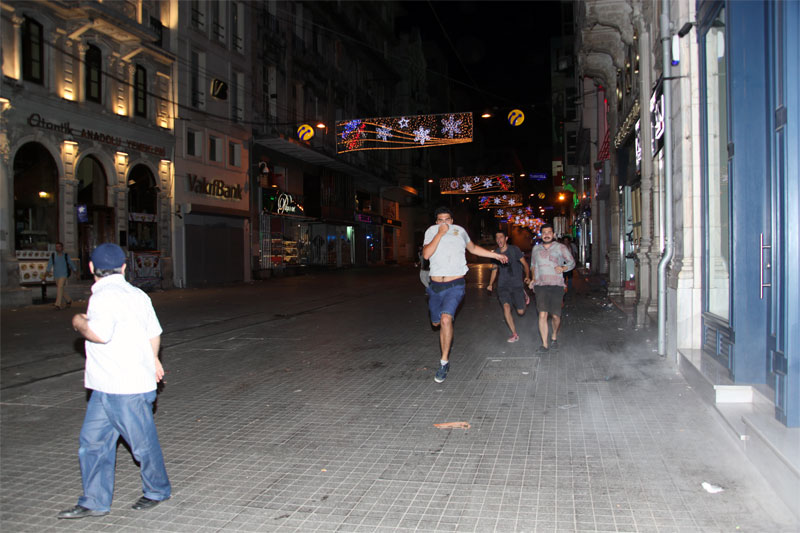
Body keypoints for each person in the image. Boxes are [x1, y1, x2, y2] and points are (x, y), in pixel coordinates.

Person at [58, 243, 170, 519]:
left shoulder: (103, 296)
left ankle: (157, 489)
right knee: (93, 442)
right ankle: (94, 501)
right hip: (105, 387)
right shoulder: (137, 294)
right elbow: (153, 332)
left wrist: (78, 322)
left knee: (141, 443)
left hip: (125, 387)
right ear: (123, 267)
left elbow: (99, 334)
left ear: (91, 268)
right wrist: (154, 358)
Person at [423, 207, 508, 383]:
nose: (444, 222)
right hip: (436, 285)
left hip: (456, 284)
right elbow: (426, 254)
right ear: (436, 222)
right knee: (436, 322)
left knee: (446, 319)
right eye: (440, 220)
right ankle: (443, 338)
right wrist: (439, 234)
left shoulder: (460, 231)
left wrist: (496, 256)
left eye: (447, 219)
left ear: (452, 220)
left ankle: (444, 363)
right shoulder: (431, 231)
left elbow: (474, 248)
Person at [527, 224, 575, 353]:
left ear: (553, 234)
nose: (546, 234)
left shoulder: (560, 247)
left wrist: (563, 268)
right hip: (541, 285)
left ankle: (554, 335)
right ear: (541, 235)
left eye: (549, 232)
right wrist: (533, 278)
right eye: (544, 232)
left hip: (556, 285)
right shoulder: (536, 249)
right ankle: (544, 344)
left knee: (555, 316)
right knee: (542, 314)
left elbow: (571, 262)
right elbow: (533, 265)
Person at [487, 230, 531, 342]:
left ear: (506, 238)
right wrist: (490, 284)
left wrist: (527, 276)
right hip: (503, 286)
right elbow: (494, 269)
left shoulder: (514, 250)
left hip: (517, 285)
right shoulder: (495, 253)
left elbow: (525, 264)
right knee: (506, 307)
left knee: (521, 312)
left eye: (501, 237)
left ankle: (524, 296)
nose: (499, 240)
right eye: (497, 238)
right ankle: (514, 334)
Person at [44, 242, 77, 310]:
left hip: (63, 274)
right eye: (56, 247)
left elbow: (71, 263)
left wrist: (75, 271)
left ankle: (57, 304)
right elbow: (49, 265)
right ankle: (69, 300)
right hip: (56, 275)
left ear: (62, 248)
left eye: (59, 246)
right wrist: (45, 275)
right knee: (61, 289)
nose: (57, 248)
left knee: (60, 287)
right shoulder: (53, 256)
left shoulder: (65, 255)